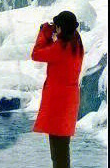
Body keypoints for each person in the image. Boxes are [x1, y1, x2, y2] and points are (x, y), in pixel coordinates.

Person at [31, 10, 84, 168]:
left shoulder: (61, 47)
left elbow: (37, 54)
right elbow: (54, 51)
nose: (56, 30)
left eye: (57, 27)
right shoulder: (76, 43)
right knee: (62, 148)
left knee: (57, 152)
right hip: (68, 101)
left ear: (62, 28)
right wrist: (54, 32)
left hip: (58, 103)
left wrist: (44, 33)